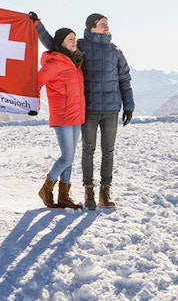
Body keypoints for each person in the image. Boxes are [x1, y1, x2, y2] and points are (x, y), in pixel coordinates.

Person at [32, 12, 133, 210]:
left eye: (107, 23)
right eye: (103, 23)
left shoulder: (115, 51)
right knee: (87, 151)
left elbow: (124, 79)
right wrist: (37, 25)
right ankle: (89, 191)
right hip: (89, 110)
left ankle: (105, 191)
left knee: (108, 151)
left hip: (111, 109)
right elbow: (54, 43)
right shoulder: (82, 47)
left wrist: (129, 105)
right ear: (92, 27)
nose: (107, 26)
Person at [36, 27, 85, 210]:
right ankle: (46, 188)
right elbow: (37, 81)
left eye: (75, 38)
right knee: (66, 158)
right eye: (70, 39)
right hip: (63, 115)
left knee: (70, 158)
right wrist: (34, 105)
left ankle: (64, 196)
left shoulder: (76, 61)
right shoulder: (55, 62)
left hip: (76, 115)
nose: (74, 41)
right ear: (61, 43)